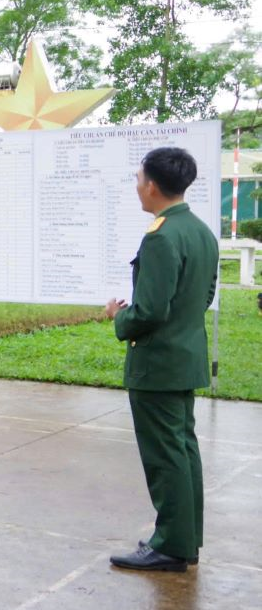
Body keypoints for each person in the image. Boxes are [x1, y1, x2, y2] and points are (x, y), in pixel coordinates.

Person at [105, 147, 219, 573]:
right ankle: (185, 540)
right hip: (185, 358)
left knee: (165, 456)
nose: (137, 186)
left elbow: (150, 310)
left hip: (157, 364)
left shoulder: (161, 236)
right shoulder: (200, 232)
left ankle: (170, 545)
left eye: (138, 179)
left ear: (152, 185)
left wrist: (119, 317)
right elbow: (204, 295)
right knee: (182, 450)